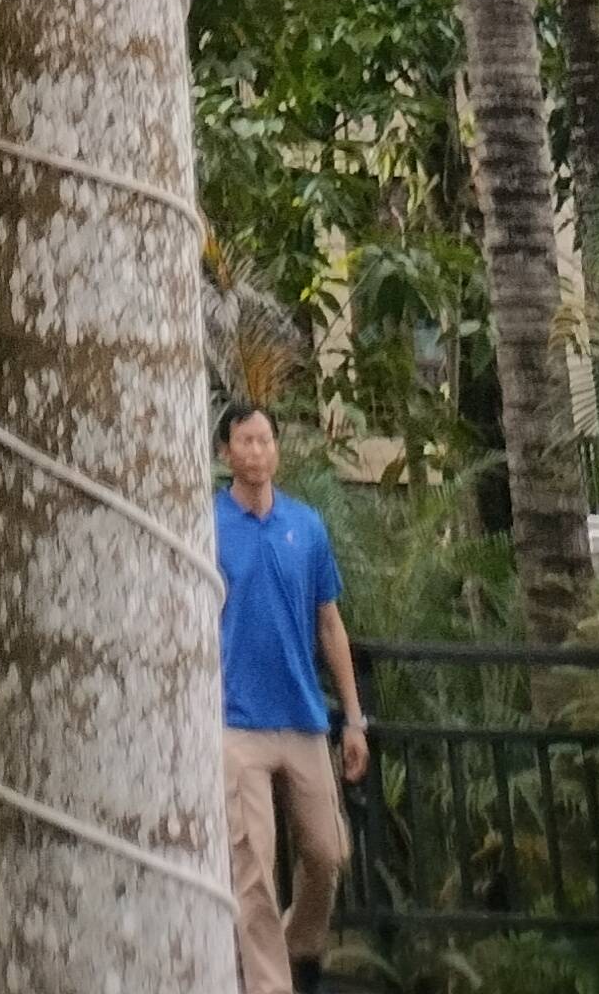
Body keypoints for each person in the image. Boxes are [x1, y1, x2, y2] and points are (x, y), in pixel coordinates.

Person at [215, 400, 369, 994]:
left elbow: (330, 624)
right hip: (236, 723)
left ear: (277, 448)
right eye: (244, 441)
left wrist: (353, 719)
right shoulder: (207, 523)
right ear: (227, 453)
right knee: (251, 869)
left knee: (328, 852)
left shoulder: (306, 526)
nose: (256, 451)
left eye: (265, 440)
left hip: (303, 716)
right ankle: (269, 986)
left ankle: (301, 945)